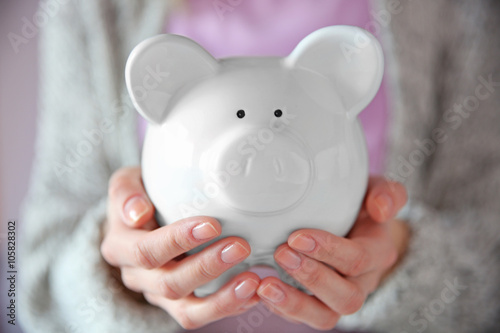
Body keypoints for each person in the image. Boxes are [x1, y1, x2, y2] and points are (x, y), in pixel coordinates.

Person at [19, 0, 500, 332]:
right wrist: (114, 270)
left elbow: (490, 277)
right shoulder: (95, 9)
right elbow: (32, 288)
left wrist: (400, 261)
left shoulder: (452, 12)